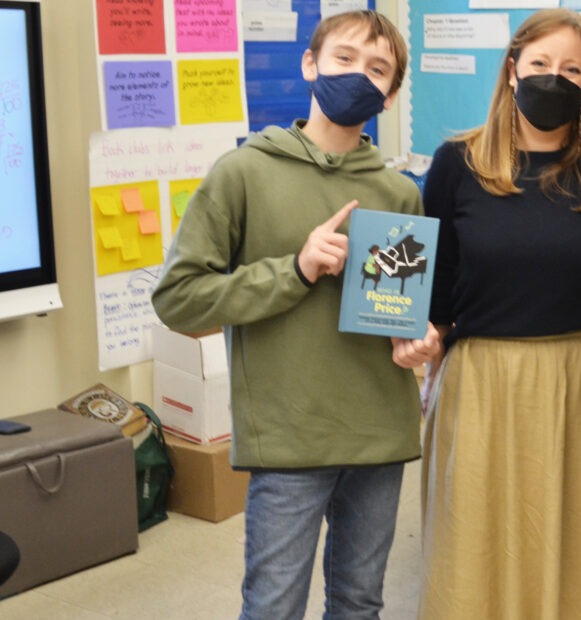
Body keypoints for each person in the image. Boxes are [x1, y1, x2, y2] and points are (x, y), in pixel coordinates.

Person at [151, 11, 439, 620]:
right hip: (287, 438)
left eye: (377, 69)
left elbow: (408, 314)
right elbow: (178, 298)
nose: (358, 75)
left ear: (388, 96)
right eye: (343, 59)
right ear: (310, 64)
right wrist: (297, 270)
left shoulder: (401, 195)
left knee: (360, 602)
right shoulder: (244, 172)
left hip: (378, 434)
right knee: (274, 606)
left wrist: (419, 339)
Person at [418, 8, 581, 620]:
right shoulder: (456, 164)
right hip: (482, 382)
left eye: (572, 69)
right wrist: (419, 340)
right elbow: (433, 298)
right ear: (512, 69)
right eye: (541, 64)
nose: (555, 78)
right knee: (478, 544)